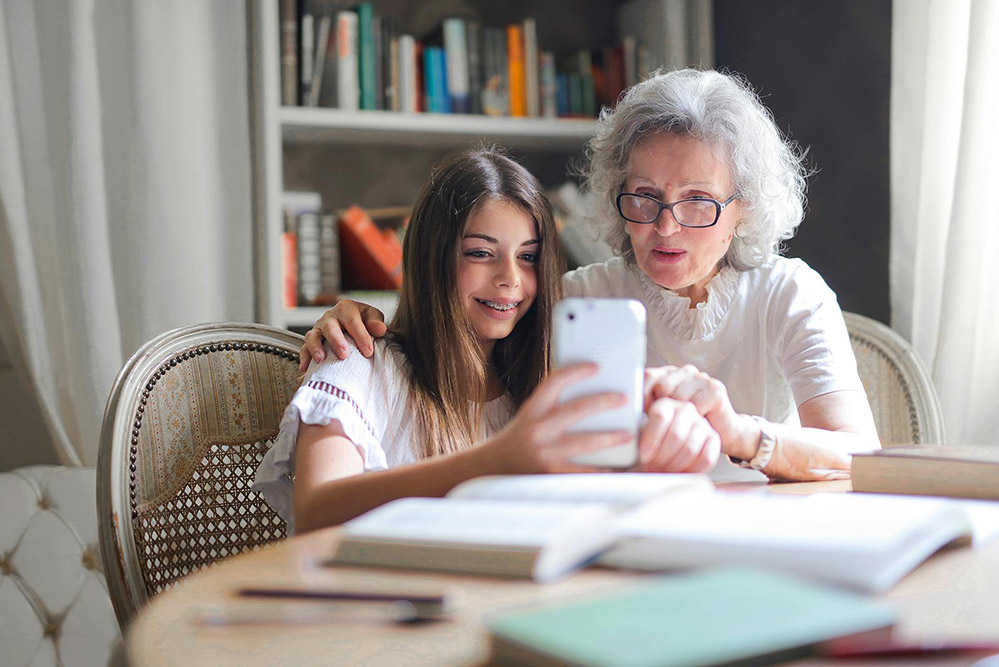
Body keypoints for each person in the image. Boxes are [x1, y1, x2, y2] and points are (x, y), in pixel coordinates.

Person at [303, 69, 881, 483]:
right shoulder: (576, 299)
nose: (666, 228)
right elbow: (459, 332)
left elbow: (859, 454)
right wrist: (354, 319)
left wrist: (738, 434)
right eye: (645, 197)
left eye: (698, 202)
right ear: (615, 194)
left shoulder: (789, 292)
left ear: (744, 209)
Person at [254, 147, 720, 534]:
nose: (510, 280)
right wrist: (498, 460)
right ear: (431, 258)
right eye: (480, 254)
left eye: (529, 257)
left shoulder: (542, 381)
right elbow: (316, 511)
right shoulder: (358, 361)